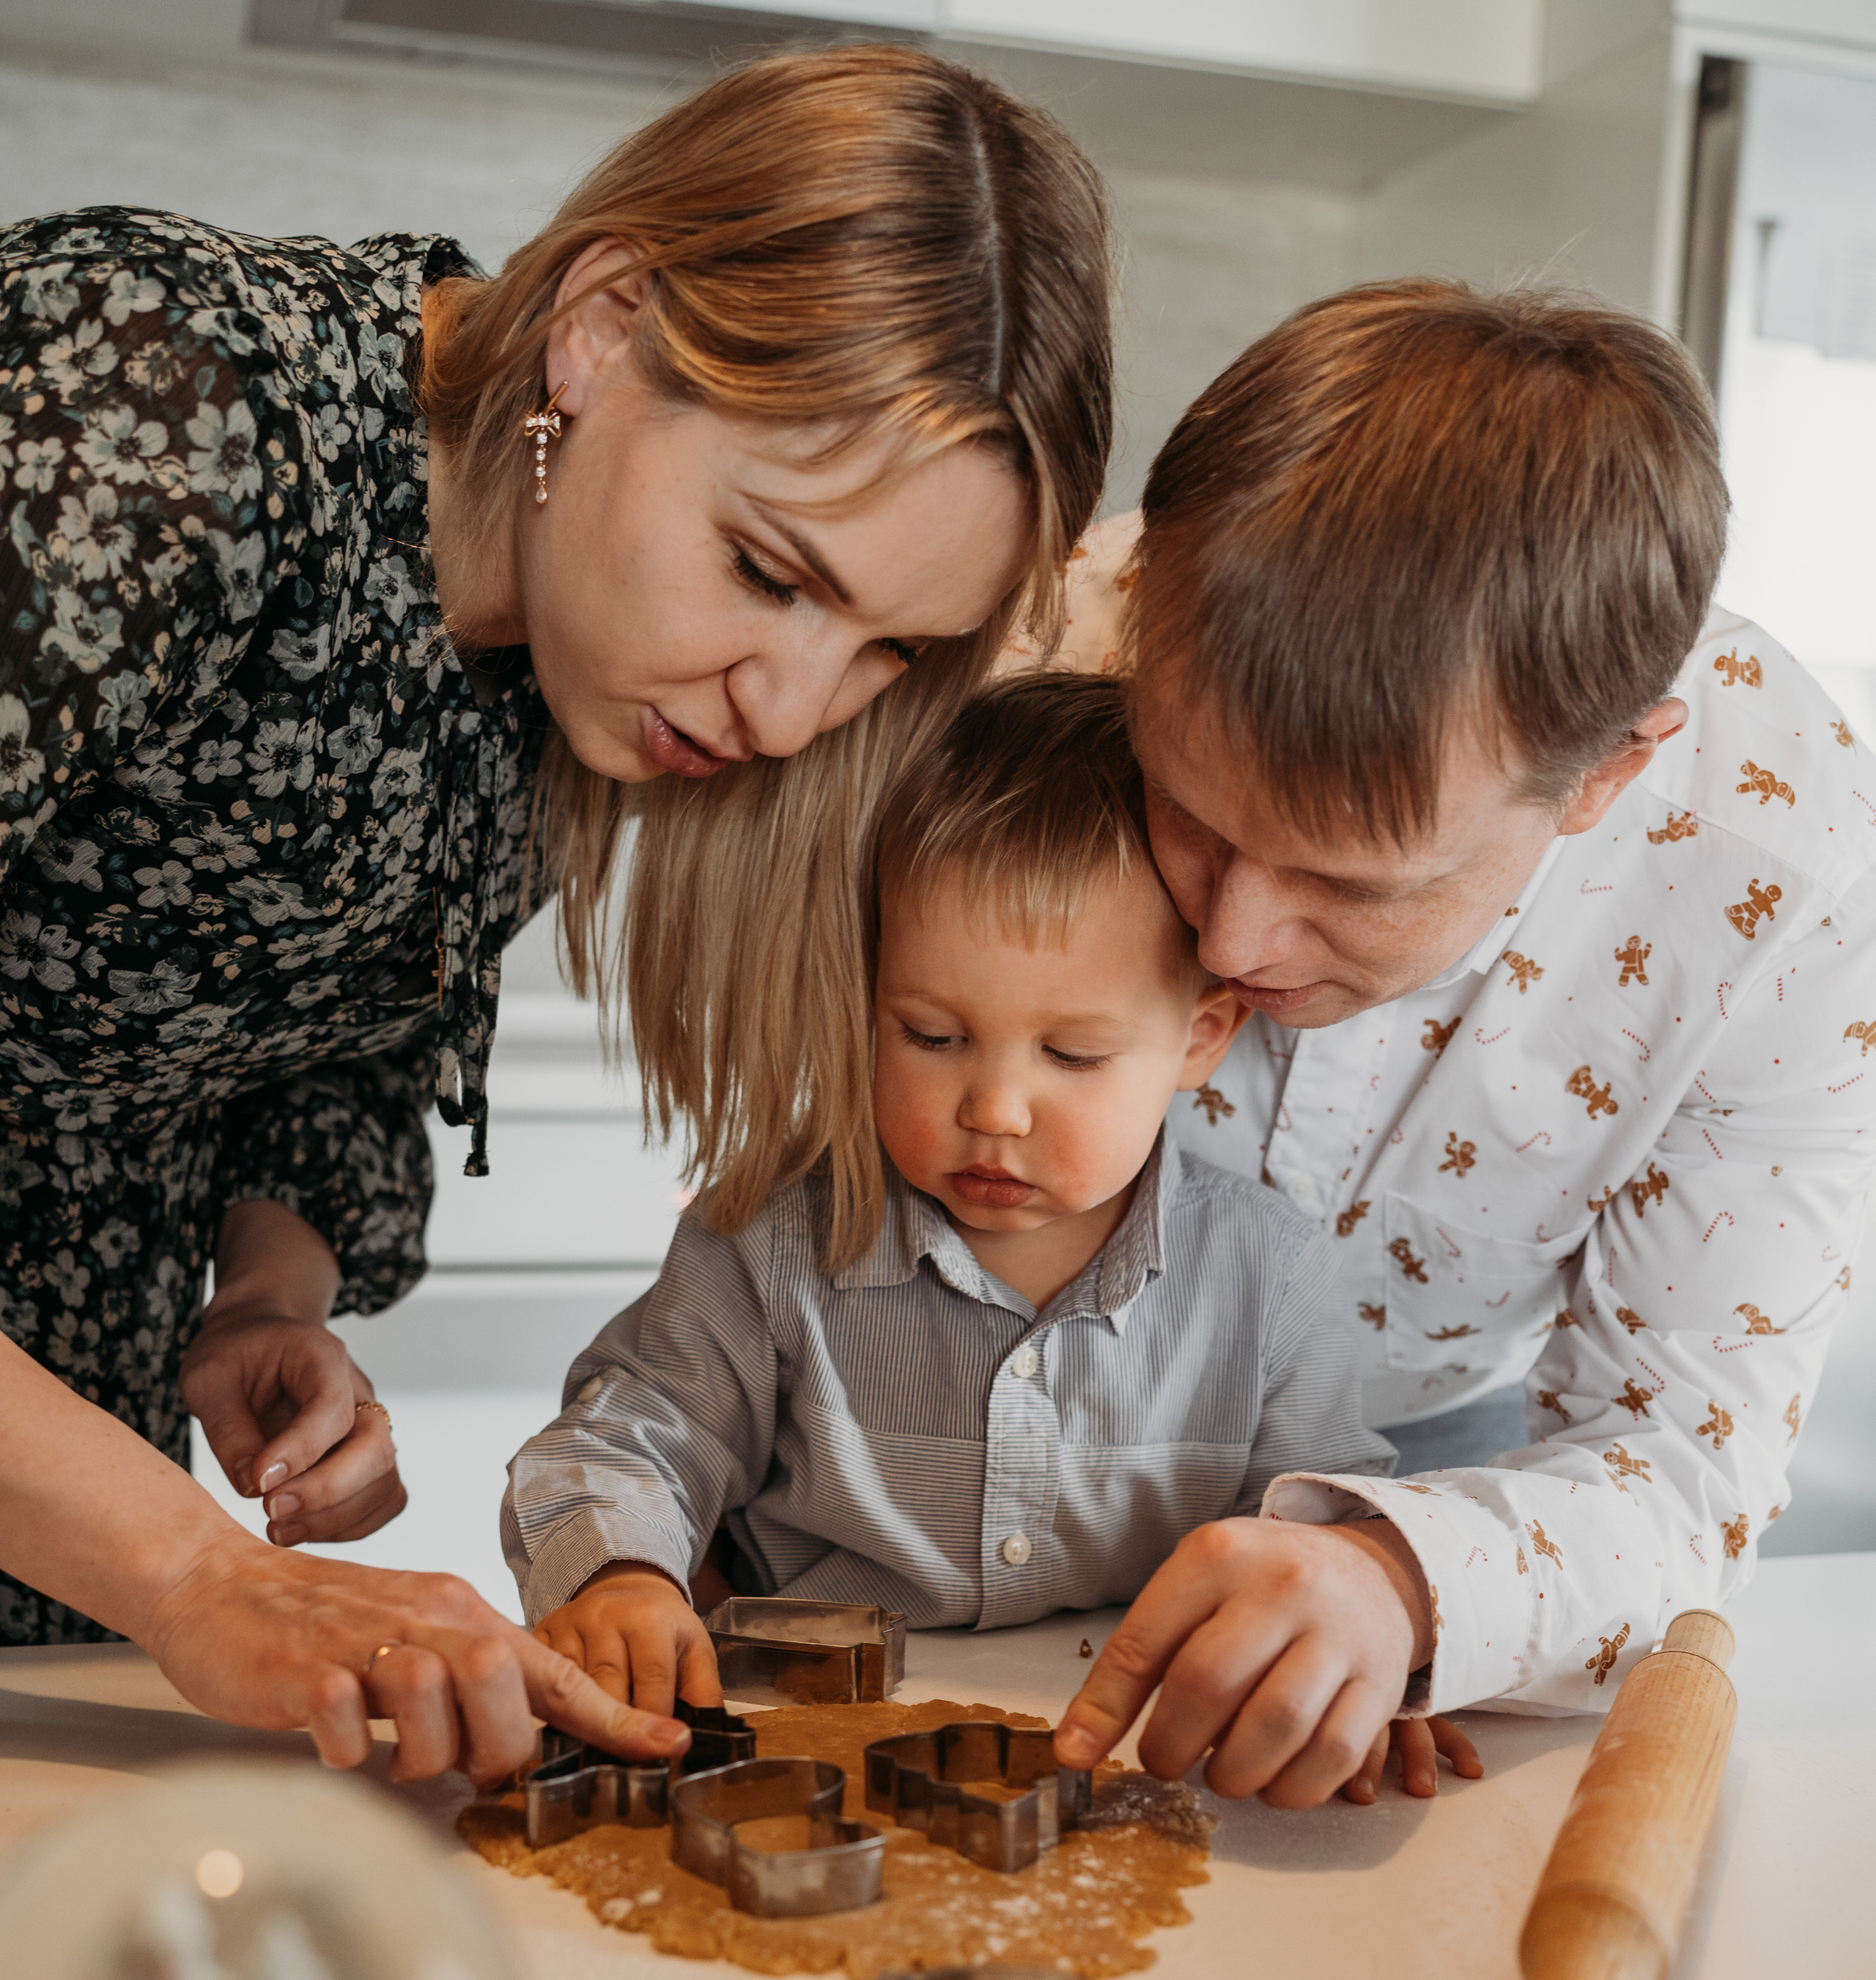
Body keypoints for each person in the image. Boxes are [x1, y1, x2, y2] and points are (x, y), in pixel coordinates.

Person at [0, 48, 1114, 1778]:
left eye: (884, 649)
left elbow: (312, 1050)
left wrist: (257, 1299)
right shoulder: (160, 405)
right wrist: (193, 1572)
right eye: (768, 568)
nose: (788, 711)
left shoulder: (565, 661)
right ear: (598, 330)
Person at [1034, 280, 1876, 1808]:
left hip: (1422, 1477)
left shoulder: (1786, 861)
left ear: (1602, 778)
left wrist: (1404, 1585)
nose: (1223, 949)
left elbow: (1684, 1453)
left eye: (1352, 883)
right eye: (1189, 813)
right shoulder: (1034, 644)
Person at [501, 677, 1483, 1803]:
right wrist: (624, 1575)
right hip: (795, 1753)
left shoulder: (1274, 1279)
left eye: (1072, 1057)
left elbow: (1328, 1541)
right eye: (932, 1035)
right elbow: (620, 1441)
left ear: (1201, 1037)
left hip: (1128, 1762)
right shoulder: (765, 1243)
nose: (996, 1109)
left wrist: (1352, 1664)